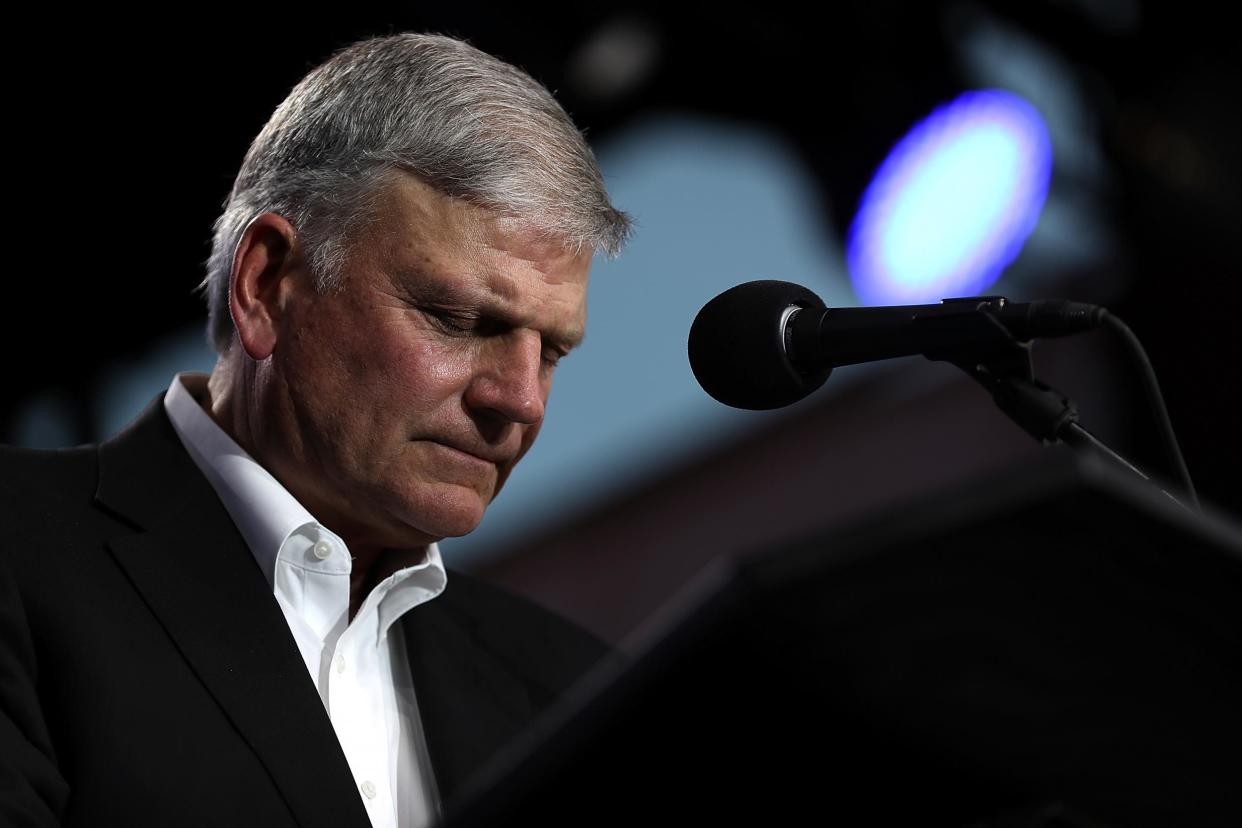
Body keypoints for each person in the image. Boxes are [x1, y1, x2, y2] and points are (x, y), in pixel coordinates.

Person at [0, 33, 630, 828]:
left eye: (554, 353)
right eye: (460, 319)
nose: (522, 400)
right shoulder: (17, 549)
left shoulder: (578, 692)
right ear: (266, 283)